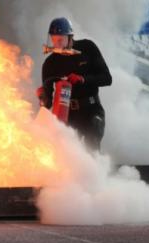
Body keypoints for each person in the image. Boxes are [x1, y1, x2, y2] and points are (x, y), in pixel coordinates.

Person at [39, 17, 112, 151]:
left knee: (91, 147)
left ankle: (95, 168)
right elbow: (48, 102)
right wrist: (42, 96)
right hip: (67, 114)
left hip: (91, 109)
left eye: (60, 40)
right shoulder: (49, 64)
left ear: (70, 36)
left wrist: (83, 79)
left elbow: (107, 78)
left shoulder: (87, 48)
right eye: (53, 40)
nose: (57, 45)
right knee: (68, 154)